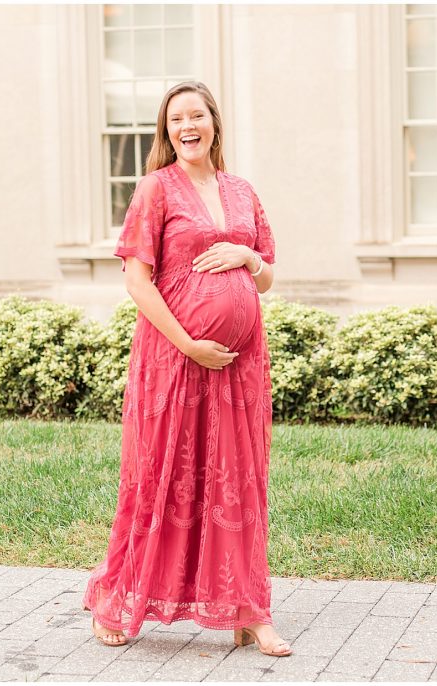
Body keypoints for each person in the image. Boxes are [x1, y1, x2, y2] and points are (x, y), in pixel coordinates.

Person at [81, 80, 291, 657]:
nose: (187, 126)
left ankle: (250, 611)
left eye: (197, 115)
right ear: (166, 131)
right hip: (175, 361)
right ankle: (121, 599)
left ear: (214, 123)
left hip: (240, 364)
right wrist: (190, 344)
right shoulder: (155, 189)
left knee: (239, 480)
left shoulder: (242, 191)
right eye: (177, 119)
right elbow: (136, 281)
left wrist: (249, 257)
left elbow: (267, 274)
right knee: (162, 479)